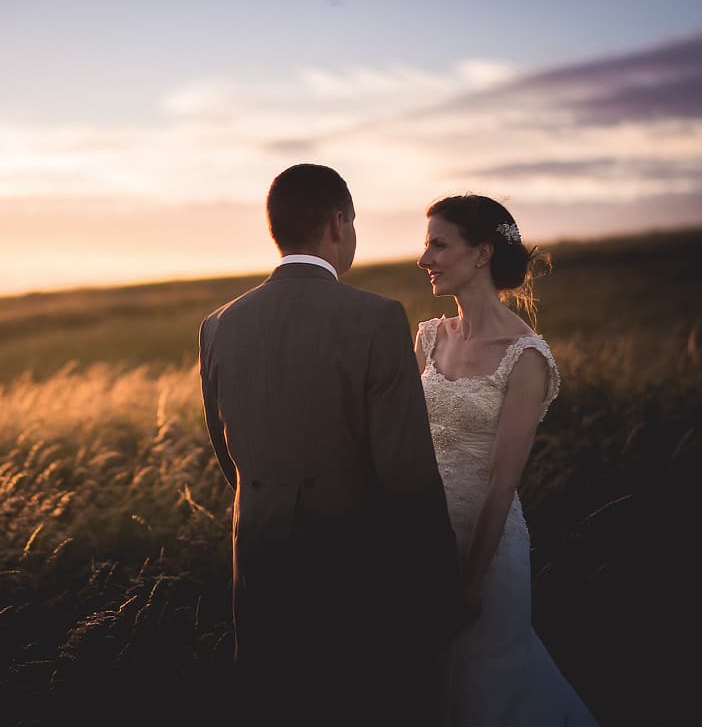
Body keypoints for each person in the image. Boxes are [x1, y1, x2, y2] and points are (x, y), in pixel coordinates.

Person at [198, 163, 466, 724]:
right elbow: (406, 470)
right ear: (339, 224)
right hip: (356, 573)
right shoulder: (376, 318)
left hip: (259, 566)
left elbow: (229, 454)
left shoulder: (219, 324)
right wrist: (443, 585)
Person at [415, 193, 600, 726]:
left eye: (438, 244)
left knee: (487, 691)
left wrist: (471, 580)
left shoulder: (525, 357)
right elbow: (407, 446)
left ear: (481, 254)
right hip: (425, 542)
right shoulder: (428, 338)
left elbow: (501, 483)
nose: (424, 259)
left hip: (486, 551)